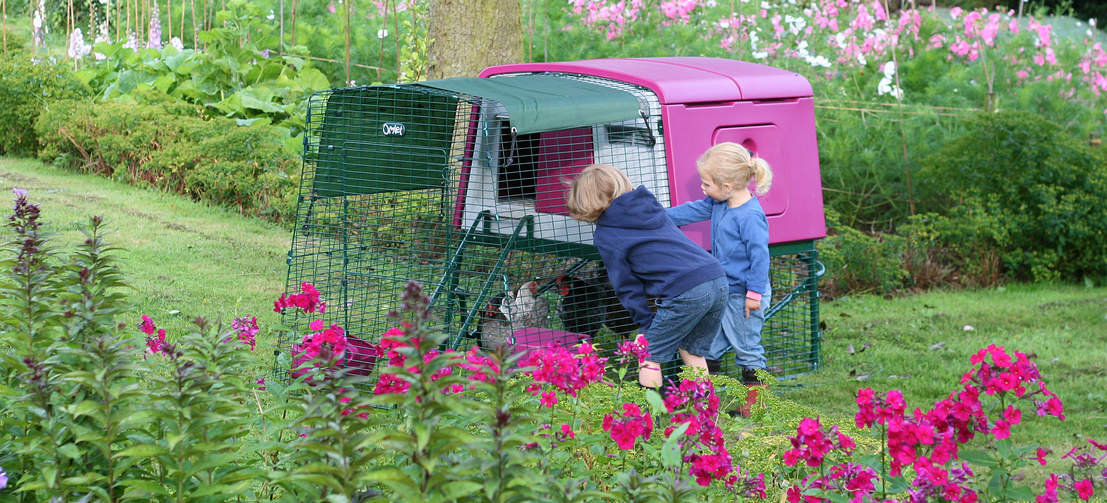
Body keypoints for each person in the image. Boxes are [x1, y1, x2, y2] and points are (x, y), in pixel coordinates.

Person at [565, 164, 727, 391]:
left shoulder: (607, 234)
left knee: (648, 355)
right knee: (692, 351)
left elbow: (625, 285)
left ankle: (651, 420)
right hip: (716, 277)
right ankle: (704, 417)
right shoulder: (650, 208)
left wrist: (645, 323)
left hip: (687, 290)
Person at [666, 142, 772, 386]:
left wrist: (754, 293)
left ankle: (757, 406)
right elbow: (692, 211)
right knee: (709, 345)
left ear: (727, 186)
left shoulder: (750, 216)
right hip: (725, 290)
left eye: (706, 184)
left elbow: (760, 258)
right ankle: (704, 399)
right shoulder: (719, 203)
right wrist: (659, 216)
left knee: (747, 347)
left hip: (745, 295)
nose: (702, 189)